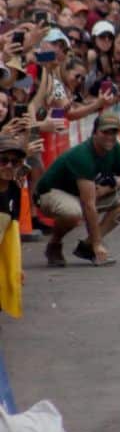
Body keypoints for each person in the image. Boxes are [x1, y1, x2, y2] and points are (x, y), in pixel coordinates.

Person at [35, 114, 120, 267]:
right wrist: (99, 244)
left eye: (114, 132)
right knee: (73, 213)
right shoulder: (82, 155)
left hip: (83, 194)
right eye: (105, 132)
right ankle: (55, 244)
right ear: (95, 132)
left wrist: (111, 185)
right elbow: (89, 205)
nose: (110, 137)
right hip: (51, 193)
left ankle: (87, 246)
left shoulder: (114, 148)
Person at [0, 134, 25, 318]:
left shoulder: (14, 190)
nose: (9, 166)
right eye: (3, 160)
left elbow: (11, 233)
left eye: (14, 162)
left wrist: (16, 266)